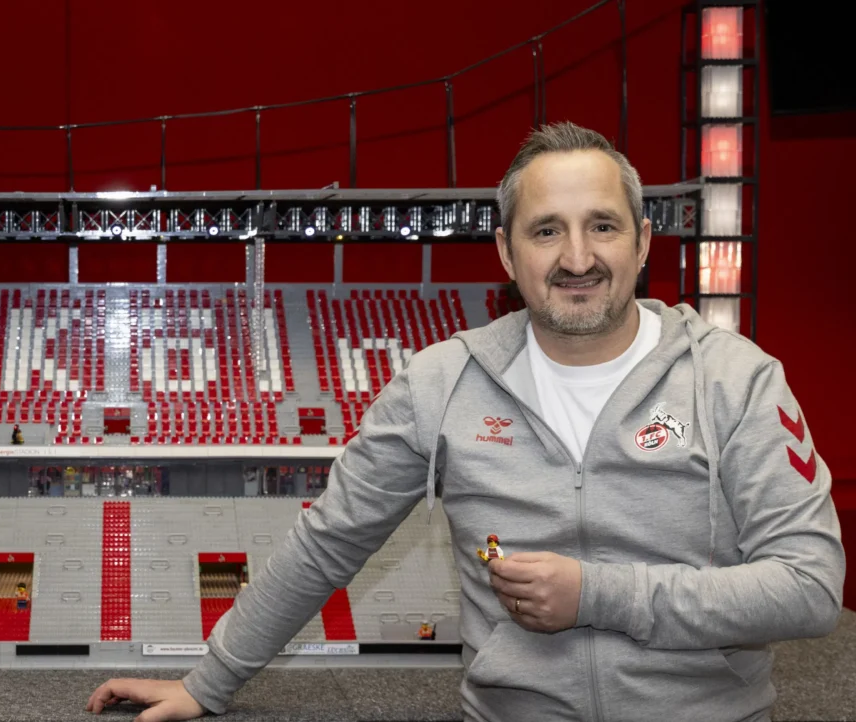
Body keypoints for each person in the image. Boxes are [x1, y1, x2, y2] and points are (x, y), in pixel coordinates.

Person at [86, 122, 844, 721]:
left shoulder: (735, 379)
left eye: (603, 226)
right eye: (546, 231)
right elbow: (328, 542)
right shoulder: (440, 383)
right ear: (506, 253)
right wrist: (208, 682)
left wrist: (598, 594)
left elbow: (810, 586)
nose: (578, 257)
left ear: (643, 241)